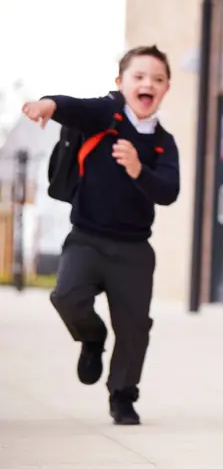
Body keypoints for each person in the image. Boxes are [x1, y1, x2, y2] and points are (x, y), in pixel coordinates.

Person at [21, 45, 180, 426]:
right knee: (66, 296)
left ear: (167, 88)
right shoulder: (104, 115)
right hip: (87, 238)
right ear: (120, 83)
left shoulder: (163, 142)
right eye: (138, 77)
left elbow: (169, 192)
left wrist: (139, 169)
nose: (148, 84)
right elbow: (72, 106)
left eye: (157, 79)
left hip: (134, 249)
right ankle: (92, 339)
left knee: (134, 328)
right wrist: (48, 104)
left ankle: (123, 396)